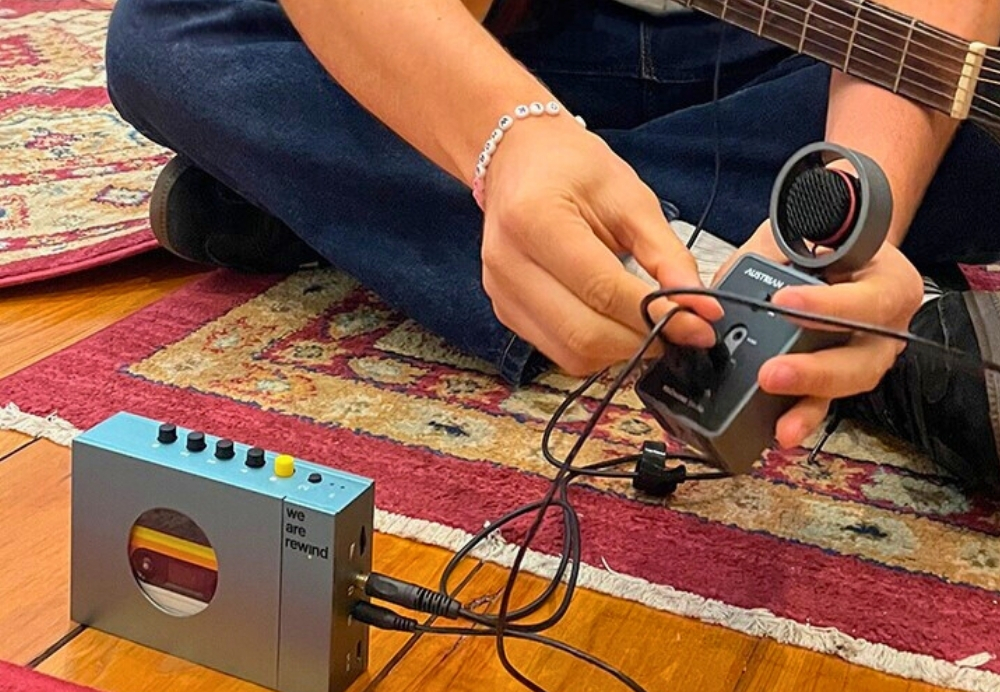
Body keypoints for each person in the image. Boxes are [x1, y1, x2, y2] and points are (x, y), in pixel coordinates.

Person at [104, 0, 1000, 490]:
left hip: (809, 56)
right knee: (168, 32)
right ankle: (813, 309)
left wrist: (850, 203)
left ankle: (341, 194)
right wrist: (507, 133)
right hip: (515, 41)